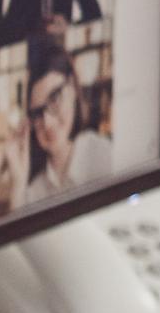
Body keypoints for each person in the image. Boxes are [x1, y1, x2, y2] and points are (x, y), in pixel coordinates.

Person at [18, 38, 112, 202]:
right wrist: (18, 180)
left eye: (54, 98)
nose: (47, 122)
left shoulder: (103, 155)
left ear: (73, 88)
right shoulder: (34, 191)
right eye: (37, 113)